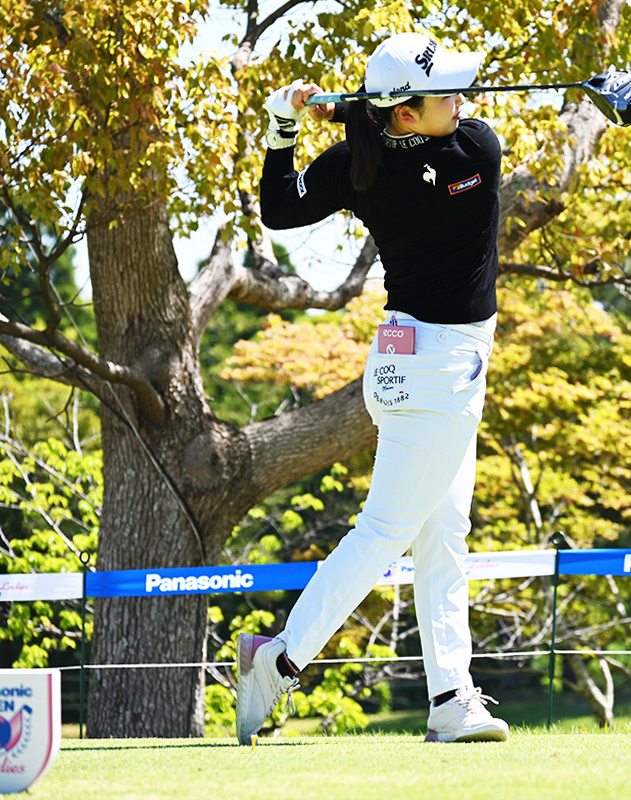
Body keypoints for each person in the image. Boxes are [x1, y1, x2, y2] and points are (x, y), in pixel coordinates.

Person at [234, 31, 508, 745]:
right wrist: (358, 118)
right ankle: (280, 657)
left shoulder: (362, 164)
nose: (461, 98)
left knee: (443, 534)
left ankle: (452, 698)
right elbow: (464, 125)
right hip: (442, 369)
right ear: (406, 116)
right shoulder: (476, 153)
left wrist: (284, 130)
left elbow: (280, 207)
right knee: (386, 532)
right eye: (443, 91)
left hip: (399, 362)